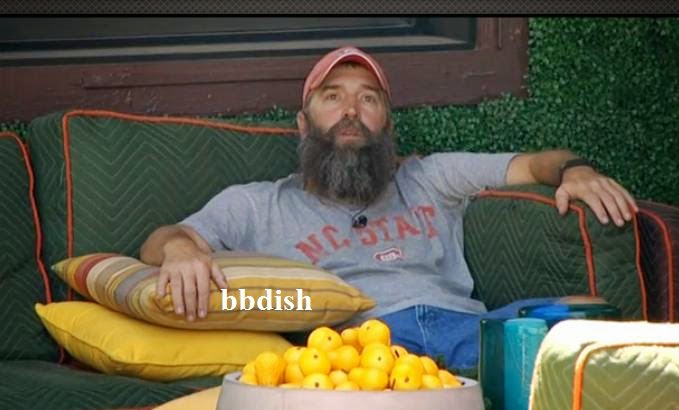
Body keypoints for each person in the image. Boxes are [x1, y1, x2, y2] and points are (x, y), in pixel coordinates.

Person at [140, 46, 637, 369]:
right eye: (332, 97)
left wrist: (575, 171)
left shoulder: (430, 177)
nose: (351, 112)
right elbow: (161, 241)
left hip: (469, 329)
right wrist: (181, 250)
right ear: (302, 124)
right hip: (360, 350)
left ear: (387, 125)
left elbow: (533, 164)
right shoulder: (257, 204)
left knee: (592, 317)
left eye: (368, 99)